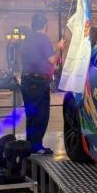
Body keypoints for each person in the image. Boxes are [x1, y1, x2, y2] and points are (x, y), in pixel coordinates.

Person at [19, 13, 63, 154]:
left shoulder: (27, 38)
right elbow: (52, 59)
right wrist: (59, 47)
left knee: (31, 115)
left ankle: (30, 144)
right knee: (41, 115)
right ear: (45, 26)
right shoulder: (42, 39)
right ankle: (36, 146)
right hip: (38, 82)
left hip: (27, 80)